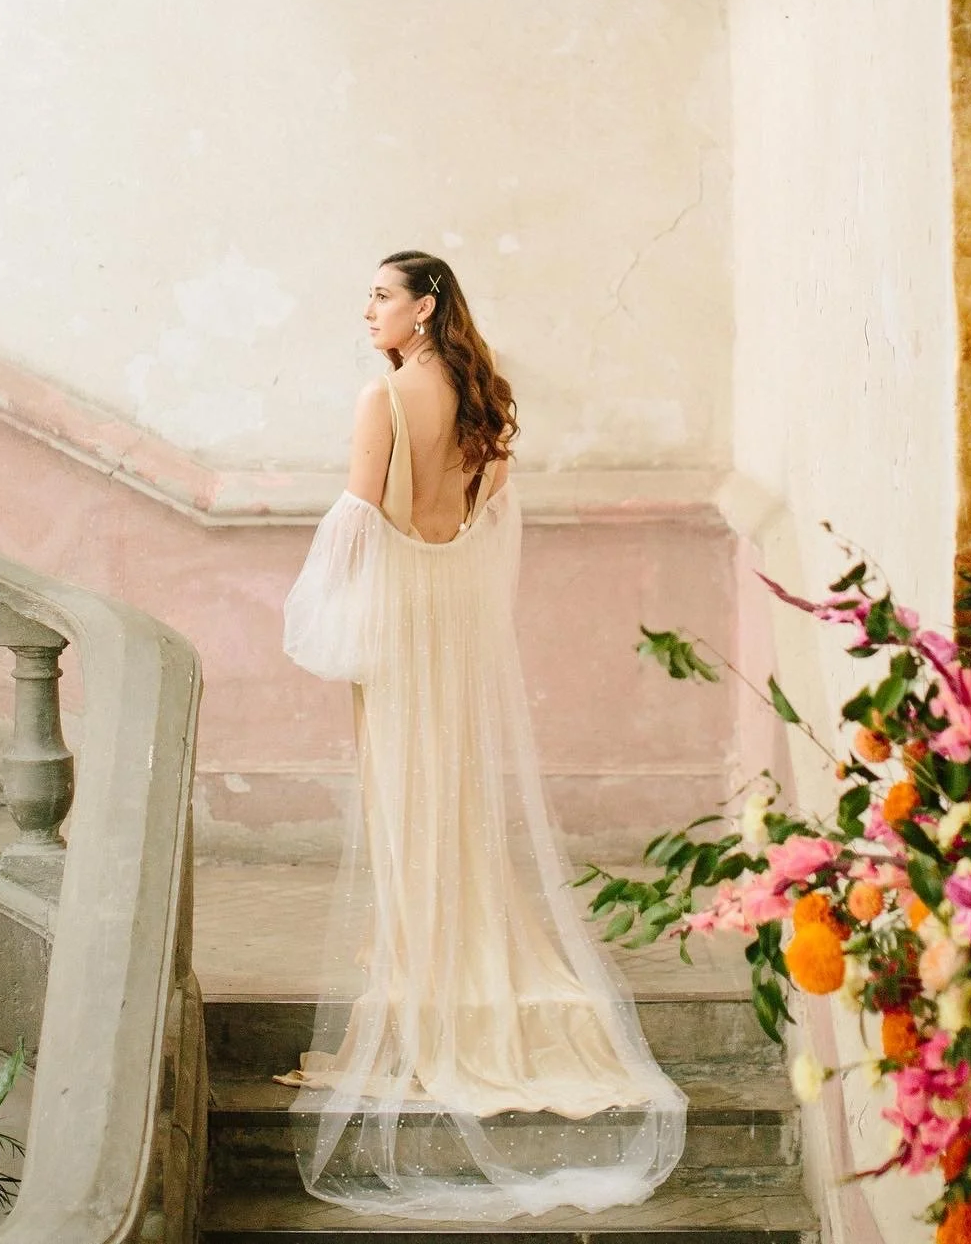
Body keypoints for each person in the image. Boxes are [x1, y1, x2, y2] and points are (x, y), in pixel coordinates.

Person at [279, 250, 686, 1221]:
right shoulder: (479, 399)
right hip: (454, 619)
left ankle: (422, 970)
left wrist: (320, 608)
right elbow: (488, 514)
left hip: (400, 619)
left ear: (424, 307)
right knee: (450, 790)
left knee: (400, 793)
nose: (368, 310)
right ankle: (442, 950)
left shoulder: (382, 399)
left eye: (382, 295)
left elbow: (360, 518)